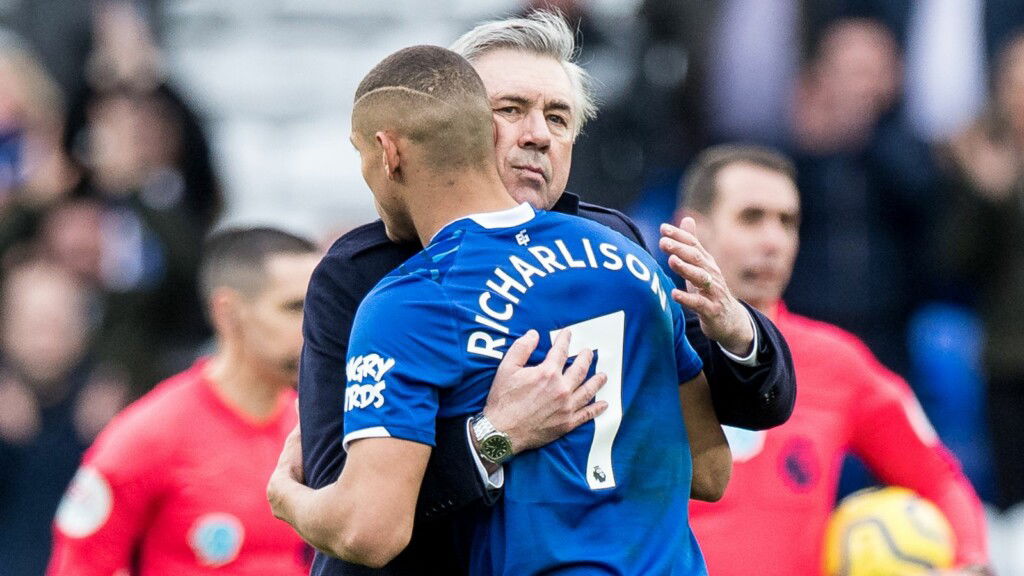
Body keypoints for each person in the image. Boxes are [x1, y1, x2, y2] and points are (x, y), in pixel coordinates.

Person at [297, 12, 795, 575]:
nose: (537, 134)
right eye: (509, 110)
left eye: (558, 118)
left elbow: (712, 453)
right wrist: (493, 439)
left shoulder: (617, 247)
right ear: (452, 122)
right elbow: (349, 494)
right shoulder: (365, 275)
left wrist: (736, 331)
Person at [662, 144, 991, 576]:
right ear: (692, 229)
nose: (773, 241)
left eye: (788, 222)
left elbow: (940, 478)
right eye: (751, 218)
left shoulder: (838, 363)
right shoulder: (644, 349)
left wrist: (971, 562)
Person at [48, 227, 319, 575]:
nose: (316, 324)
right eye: (295, 307)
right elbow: (78, 564)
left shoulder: (313, 429)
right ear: (228, 313)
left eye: (321, 305)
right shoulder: (149, 435)